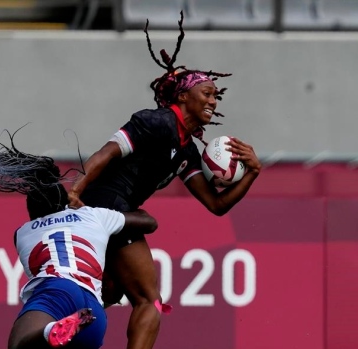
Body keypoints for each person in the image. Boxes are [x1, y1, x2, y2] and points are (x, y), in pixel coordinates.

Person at [67, 13, 263, 349]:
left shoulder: (186, 149)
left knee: (111, 291)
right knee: (149, 300)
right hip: (107, 205)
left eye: (216, 96)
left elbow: (216, 205)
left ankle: (59, 331)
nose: (213, 101)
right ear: (183, 97)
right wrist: (75, 191)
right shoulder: (156, 122)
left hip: (112, 212)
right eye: (207, 93)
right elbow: (107, 153)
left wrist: (253, 173)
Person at [0, 132, 158, 349]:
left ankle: (51, 332)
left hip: (56, 292)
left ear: (32, 214)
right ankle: (58, 331)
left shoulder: (22, 233)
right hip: (93, 308)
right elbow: (149, 222)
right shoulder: (92, 216)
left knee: (20, 345)